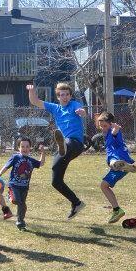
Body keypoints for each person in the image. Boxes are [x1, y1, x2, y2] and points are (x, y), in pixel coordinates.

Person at [27, 82, 89, 218]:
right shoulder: (55, 108)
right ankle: (76, 203)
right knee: (56, 181)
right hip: (65, 148)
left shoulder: (74, 105)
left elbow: (83, 111)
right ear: (58, 97)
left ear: (70, 95)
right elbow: (35, 101)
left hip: (76, 144)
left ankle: (63, 145)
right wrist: (31, 91)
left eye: (67, 94)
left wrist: (82, 112)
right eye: (62, 95)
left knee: (68, 142)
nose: (65, 97)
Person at [96, 112, 136, 224]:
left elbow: (114, 132)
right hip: (124, 160)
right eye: (101, 126)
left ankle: (118, 165)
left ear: (111, 124)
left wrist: (115, 129)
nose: (103, 128)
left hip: (118, 159)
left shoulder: (113, 131)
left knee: (104, 184)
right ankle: (116, 210)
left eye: (105, 126)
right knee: (104, 185)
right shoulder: (107, 134)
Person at [0, 137, 45, 230]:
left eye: (27, 146)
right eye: (22, 146)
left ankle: (20, 221)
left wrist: (43, 152)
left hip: (24, 187)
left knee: (22, 205)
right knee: (16, 200)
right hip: (14, 185)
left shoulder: (31, 160)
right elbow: (6, 166)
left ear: (30, 148)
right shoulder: (15, 157)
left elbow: (41, 163)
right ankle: (10, 195)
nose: (25, 149)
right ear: (18, 148)